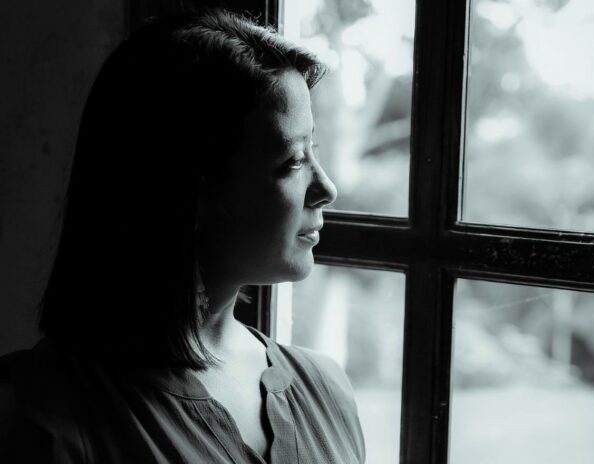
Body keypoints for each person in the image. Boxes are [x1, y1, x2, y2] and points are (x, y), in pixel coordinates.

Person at [0, 8, 365, 464]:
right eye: (293, 161)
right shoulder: (37, 415)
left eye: (315, 150)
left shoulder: (326, 392)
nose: (326, 188)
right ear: (190, 189)